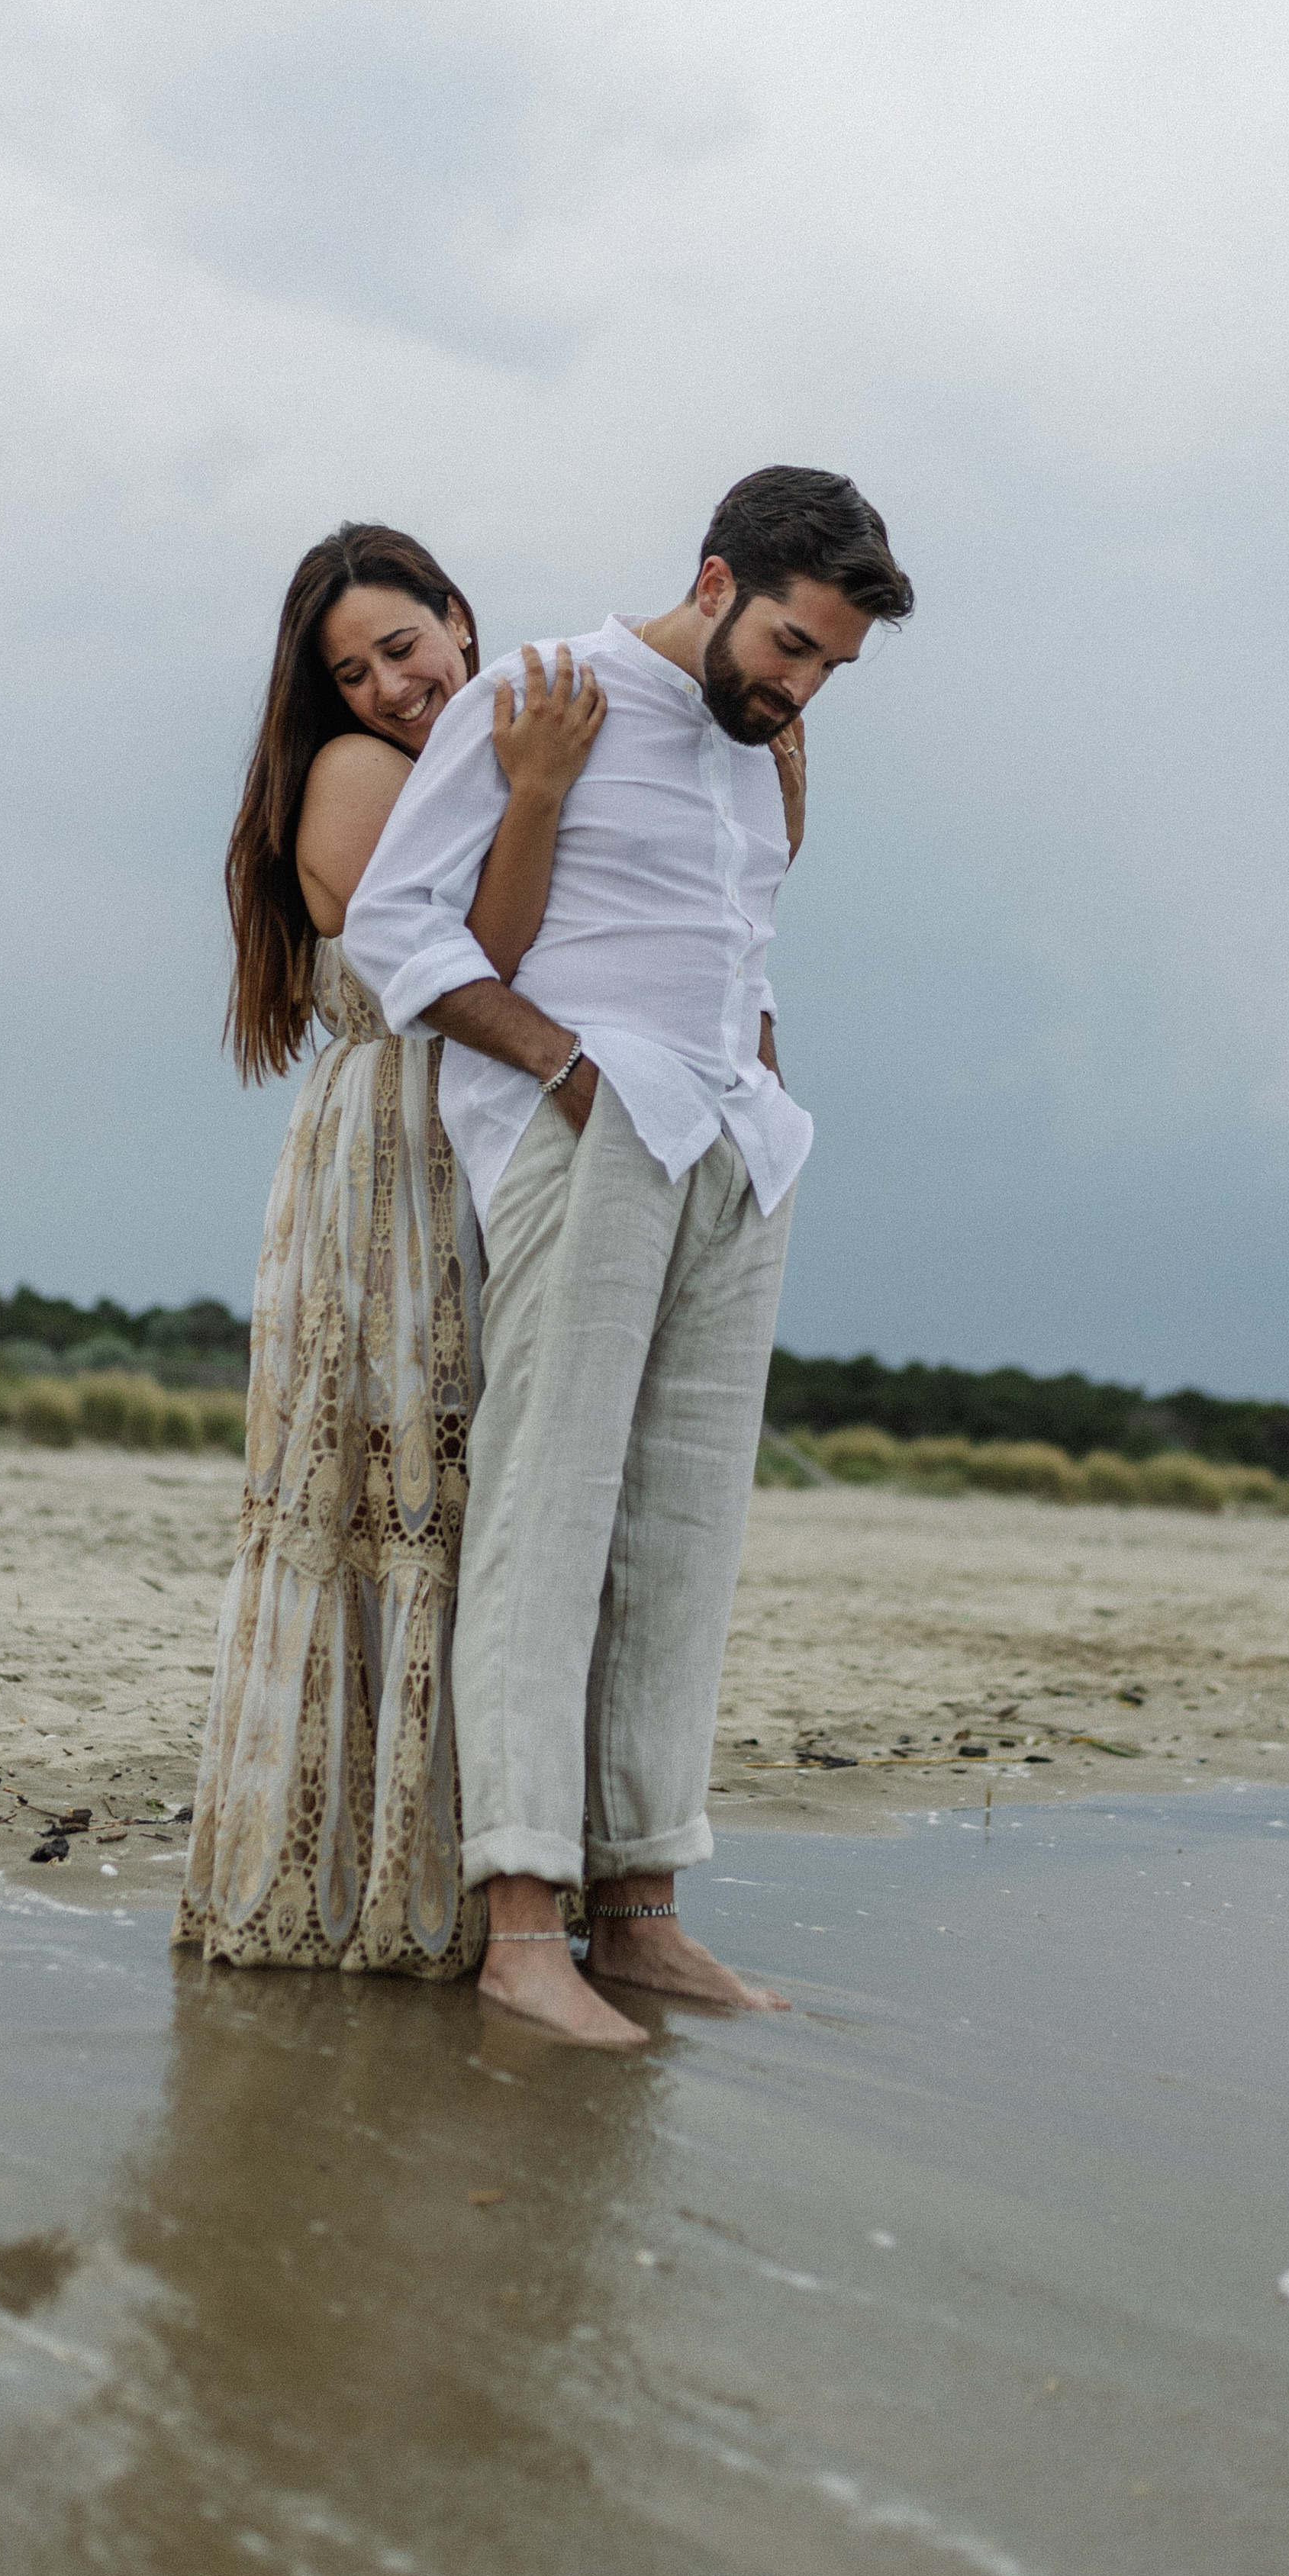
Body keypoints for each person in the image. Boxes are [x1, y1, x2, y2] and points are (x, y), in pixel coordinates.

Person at [343, 466, 914, 2044]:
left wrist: (762, 1065)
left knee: (682, 1536)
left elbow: (730, 932)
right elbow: (399, 927)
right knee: (549, 1506)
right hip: (587, 1133)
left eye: (828, 669)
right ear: (717, 578)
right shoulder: (547, 687)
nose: (799, 684)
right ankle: (521, 1922)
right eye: (790, 645)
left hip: (734, 1146)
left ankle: (640, 1910)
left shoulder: (759, 745)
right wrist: (564, 1068)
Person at [175, 523, 605, 1976]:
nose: (386, 688)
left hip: (473, 1135)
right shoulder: (364, 776)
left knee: (469, 1492)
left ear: (462, 622)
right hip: (397, 1159)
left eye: (402, 648)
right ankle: (380, 1894)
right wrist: (540, 786)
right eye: (351, 672)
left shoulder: (465, 754)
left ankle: (470, 1873)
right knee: (396, 1493)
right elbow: (461, 963)